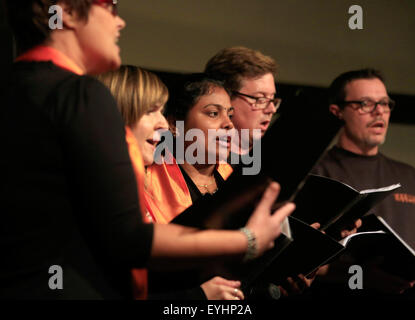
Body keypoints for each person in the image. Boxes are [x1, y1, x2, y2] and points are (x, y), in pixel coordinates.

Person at [0, 1, 295, 299]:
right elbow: (128, 239)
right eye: (110, 7)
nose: (120, 22)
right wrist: (247, 241)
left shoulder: (16, 87)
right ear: (68, 12)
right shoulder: (79, 94)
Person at [97, 66, 244, 300]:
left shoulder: (236, 180)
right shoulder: (130, 183)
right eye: (214, 113)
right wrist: (199, 297)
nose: (229, 125)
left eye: (229, 114)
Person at [311, 68, 415, 296]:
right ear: (337, 111)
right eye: (366, 104)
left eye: (385, 103)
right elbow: (296, 259)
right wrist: (358, 275)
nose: (379, 112)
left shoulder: (409, 175)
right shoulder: (316, 174)